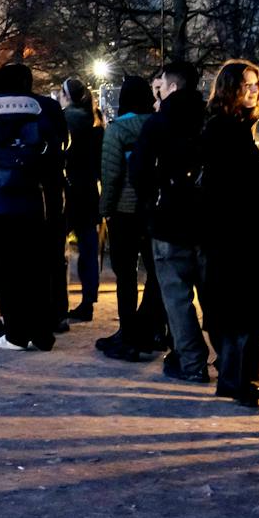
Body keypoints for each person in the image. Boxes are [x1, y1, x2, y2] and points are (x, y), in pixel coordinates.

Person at [0, 63, 66, 351]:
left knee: (6, 270)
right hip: (34, 203)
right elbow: (57, 156)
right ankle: (43, 332)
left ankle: (16, 333)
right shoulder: (40, 117)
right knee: (36, 269)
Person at [198, 60, 259, 409]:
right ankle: (236, 379)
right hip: (235, 234)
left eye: (256, 84)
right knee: (240, 309)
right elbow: (229, 185)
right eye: (246, 85)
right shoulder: (224, 128)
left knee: (244, 308)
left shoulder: (238, 126)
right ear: (230, 89)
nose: (253, 90)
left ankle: (242, 377)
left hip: (242, 232)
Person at [131, 60, 211, 383]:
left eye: (160, 86)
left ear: (173, 87)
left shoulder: (158, 123)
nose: (157, 93)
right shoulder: (210, 119)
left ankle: (192, 362)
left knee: (177, 297)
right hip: (206, 219)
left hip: (168, 219)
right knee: (211, 293)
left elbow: (138, 171)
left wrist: (154, 198)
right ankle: (230, 361)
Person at [96, 77, 162, 361]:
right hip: (155, 208)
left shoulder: (118, 129)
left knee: (126, 275)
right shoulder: (159, 124)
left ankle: (128, 333)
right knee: (156, 272)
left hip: (124, 210)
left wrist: (105, 208)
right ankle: (155, 329)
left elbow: (111, 175)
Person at [61, 77, 104, 322]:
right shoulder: (96, 122)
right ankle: (88, 300)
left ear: (67, 96)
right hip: (89, 192)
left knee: (59, 246)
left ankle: (58, 299)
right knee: (89, 249)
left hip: (69, 190)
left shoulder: (65, 120)